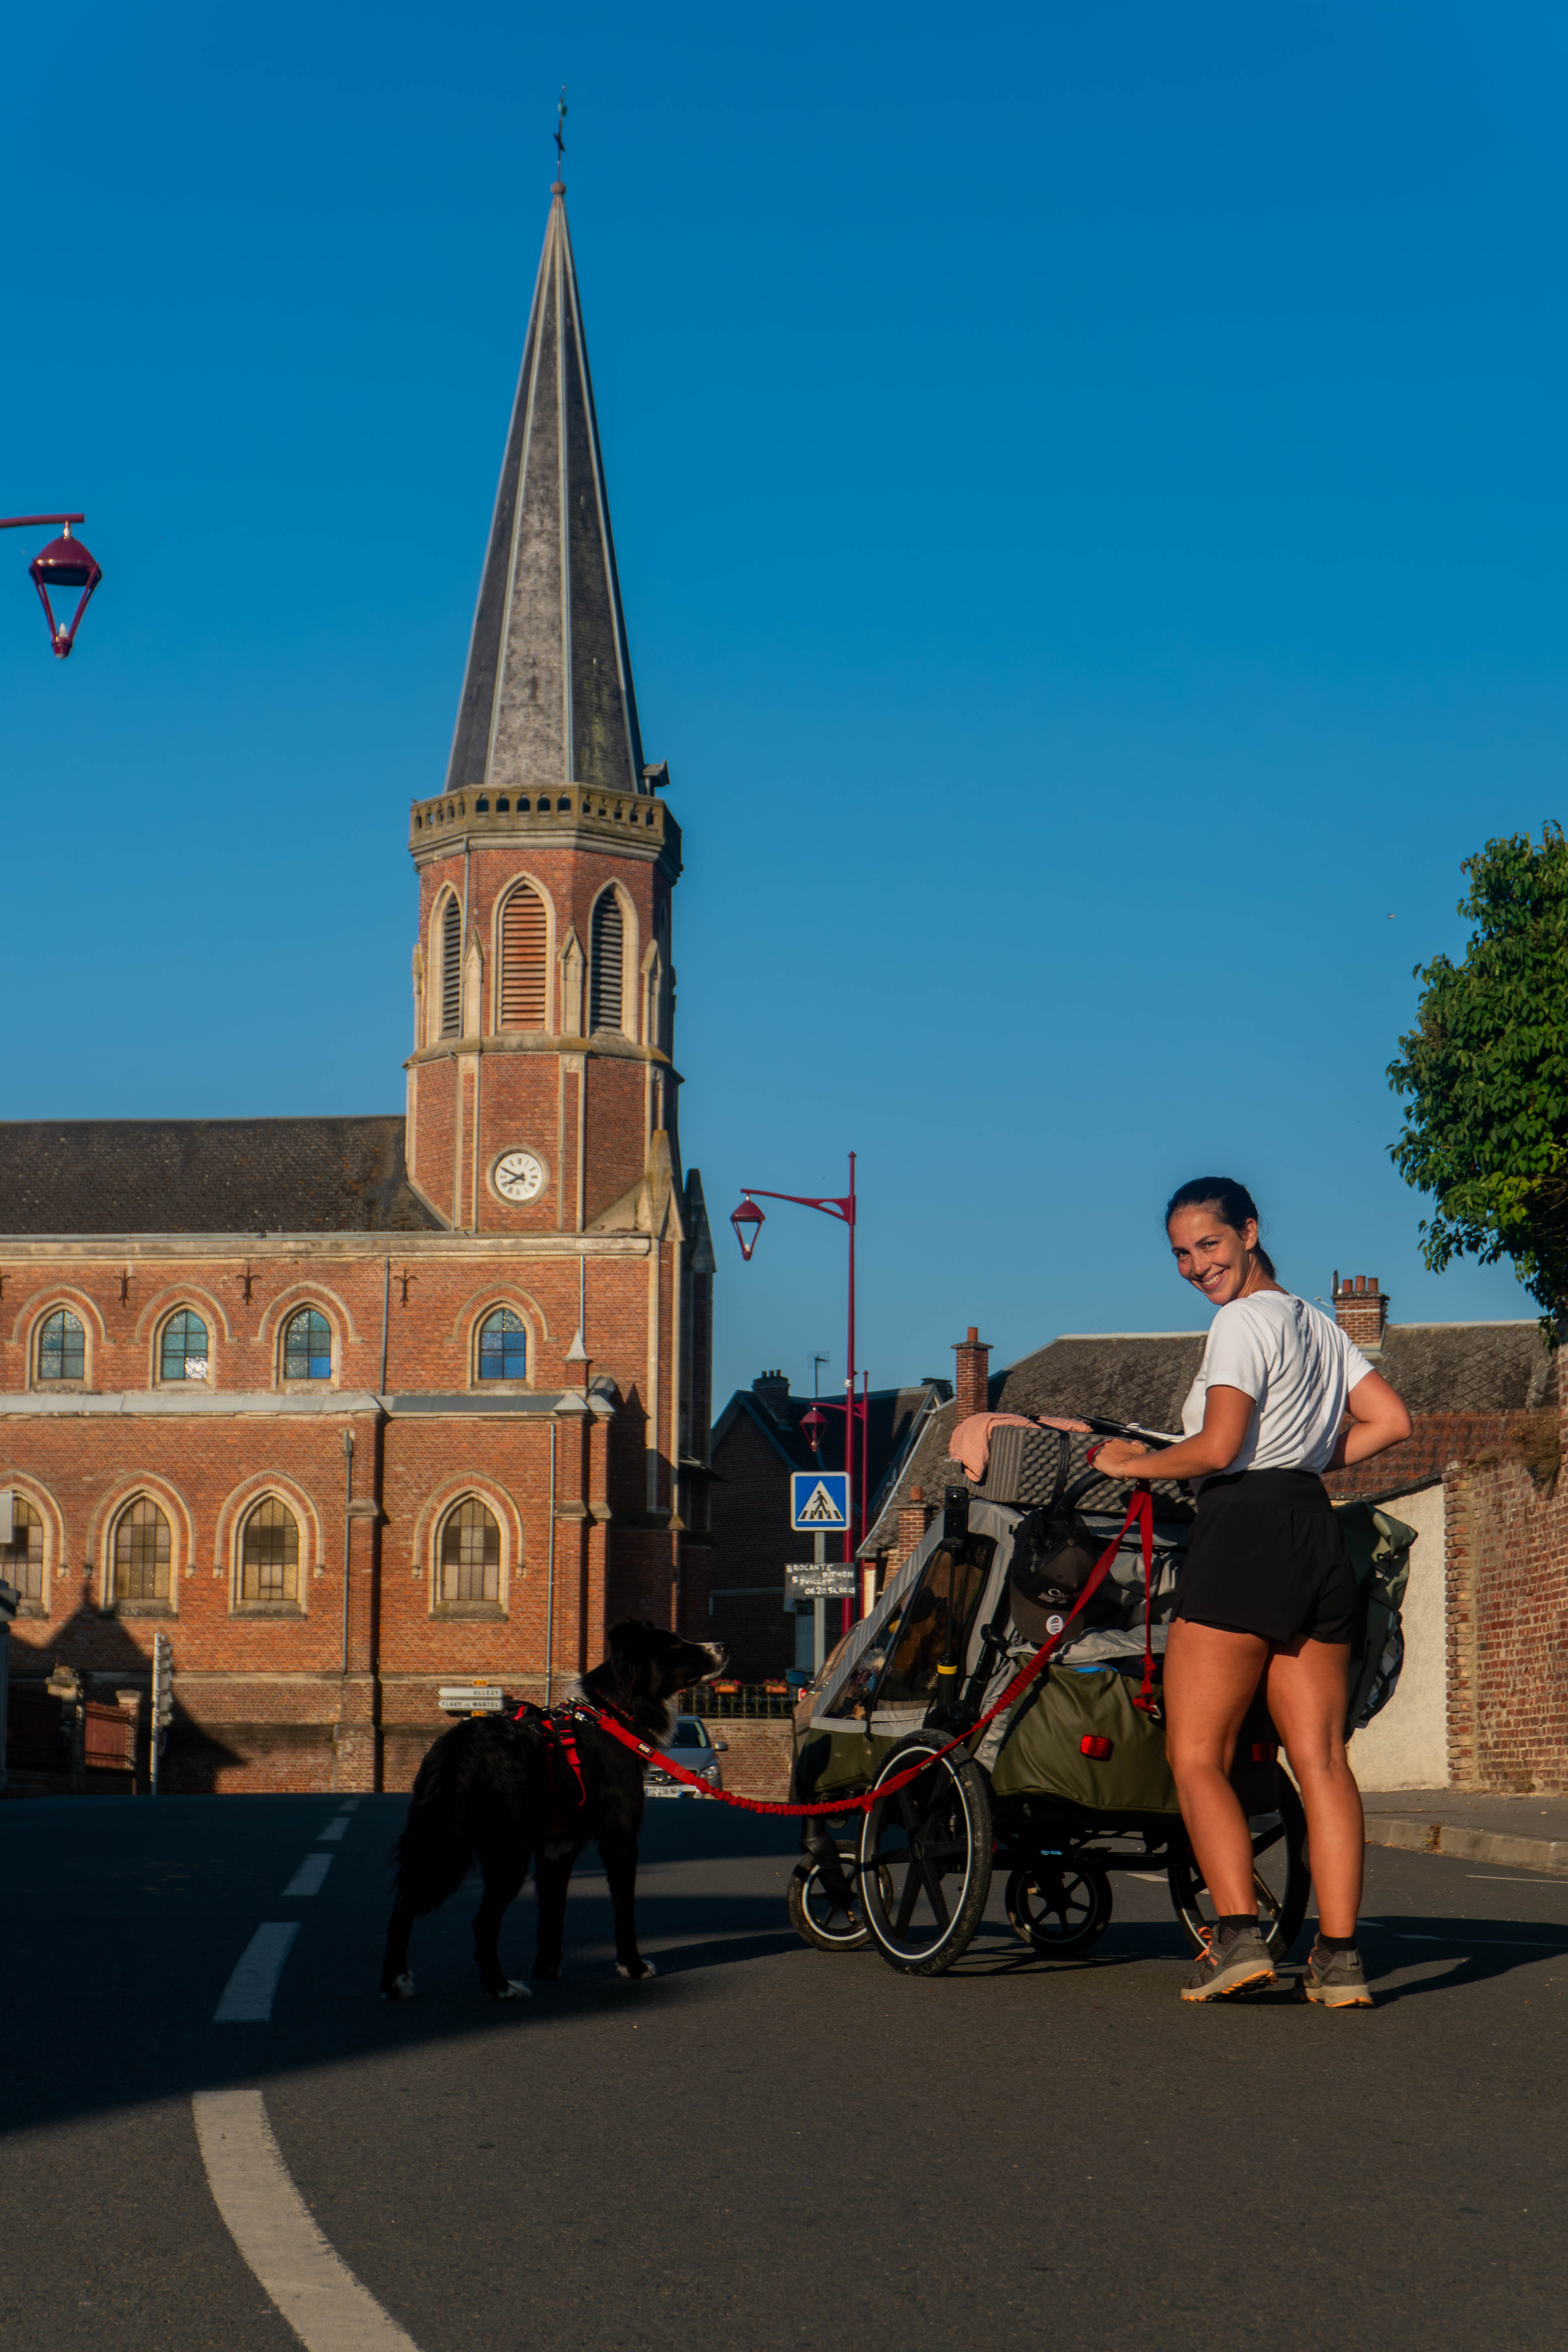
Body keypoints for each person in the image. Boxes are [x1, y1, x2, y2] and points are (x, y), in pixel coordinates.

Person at [1093, 1177, 1410, 2007]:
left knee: (1196, 1753)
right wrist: (1301, 1459)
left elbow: (1218, 1444)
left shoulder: (1238, 1322)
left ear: (1247, 1231)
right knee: (1321, 1758)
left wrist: (1132, 1464)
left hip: (1243, 1535)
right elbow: (1389, 1422)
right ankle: (1338, 1960)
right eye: (1180, 1253)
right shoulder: (1317, 1323)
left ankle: (1237, 1940)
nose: (1196, 1265)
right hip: (1313, 1529)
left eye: (1208, 1243)